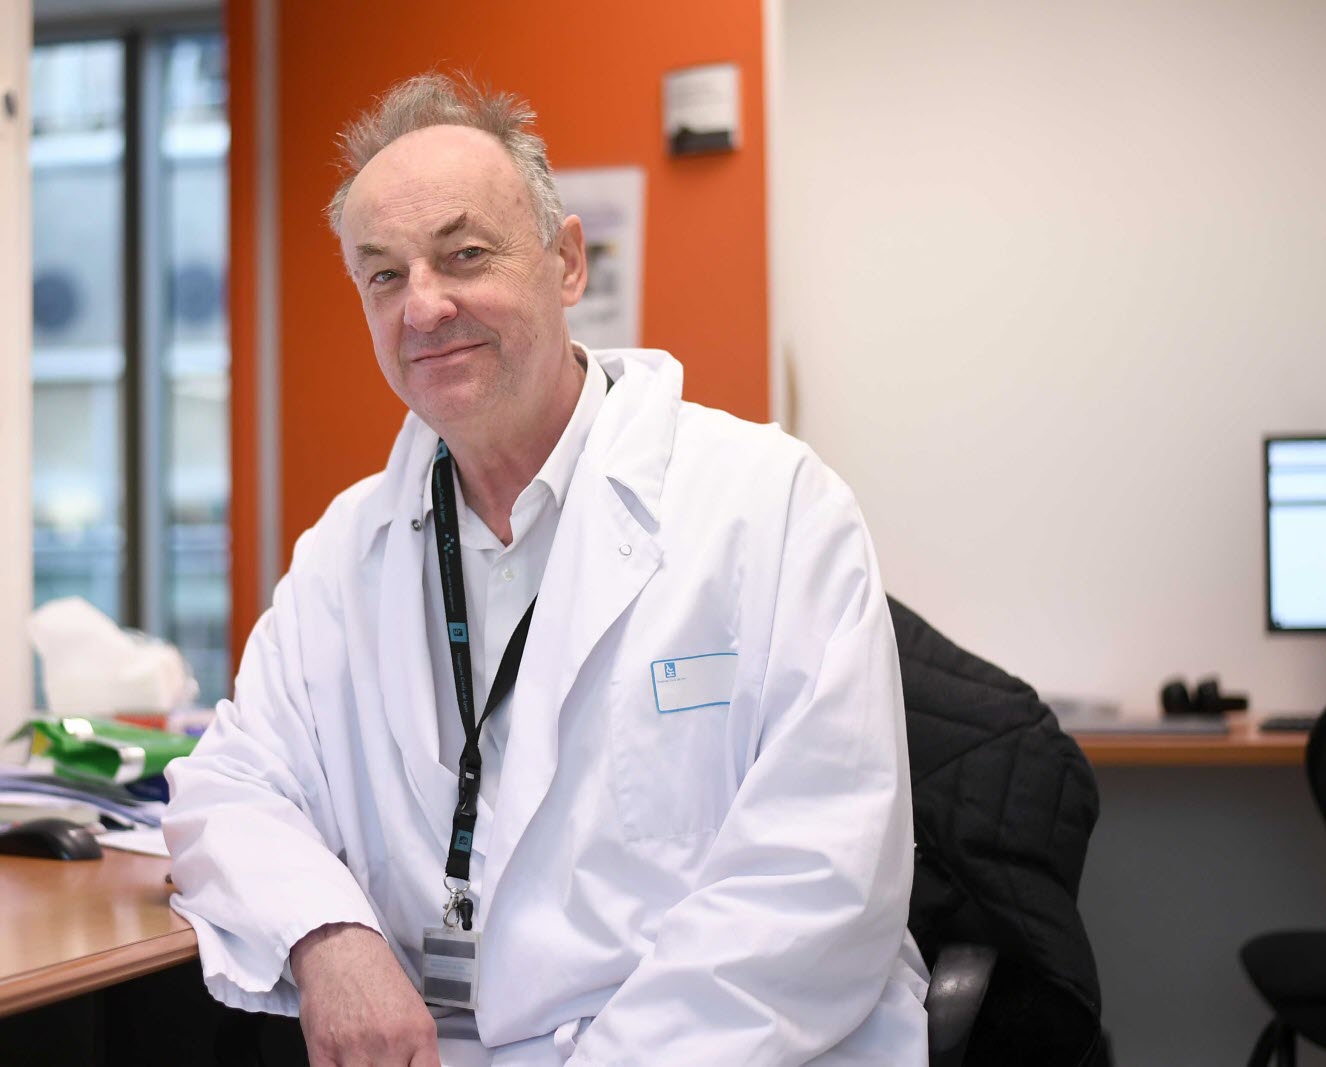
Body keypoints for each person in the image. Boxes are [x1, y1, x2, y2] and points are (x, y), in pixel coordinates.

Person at [164, 73, 927, 1066]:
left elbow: (821, 877)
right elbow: (229, 784)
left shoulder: (771, 504)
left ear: (566, 262)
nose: (423, 305)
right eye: (383, 275)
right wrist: (327, 935)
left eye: (465, 254)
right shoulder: (345, 552)